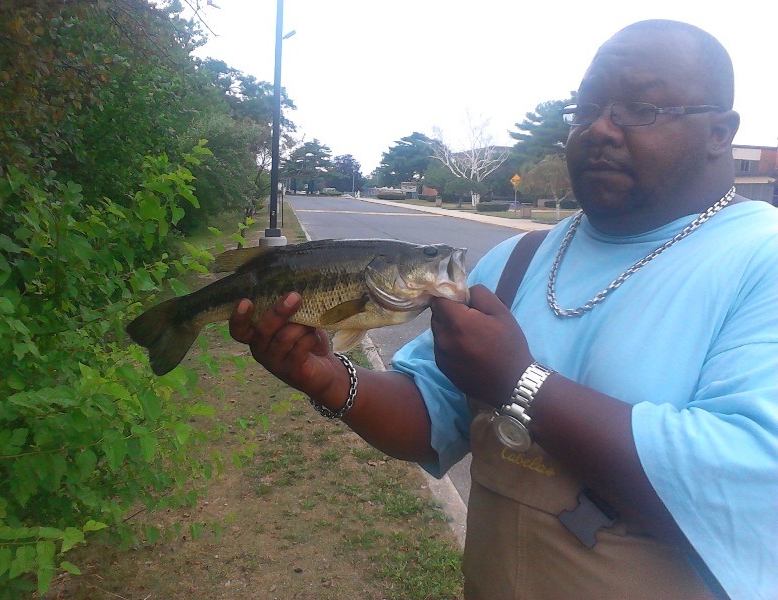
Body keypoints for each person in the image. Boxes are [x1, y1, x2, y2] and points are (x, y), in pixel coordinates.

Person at [229, 19, 778, 600]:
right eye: (585, 108)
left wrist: (521, 384)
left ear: (721, 131)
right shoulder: (518, 258)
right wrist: (326, 377)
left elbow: (748, 480)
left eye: (638, 109)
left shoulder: (759, 260)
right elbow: (434, 418)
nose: (598, 128)